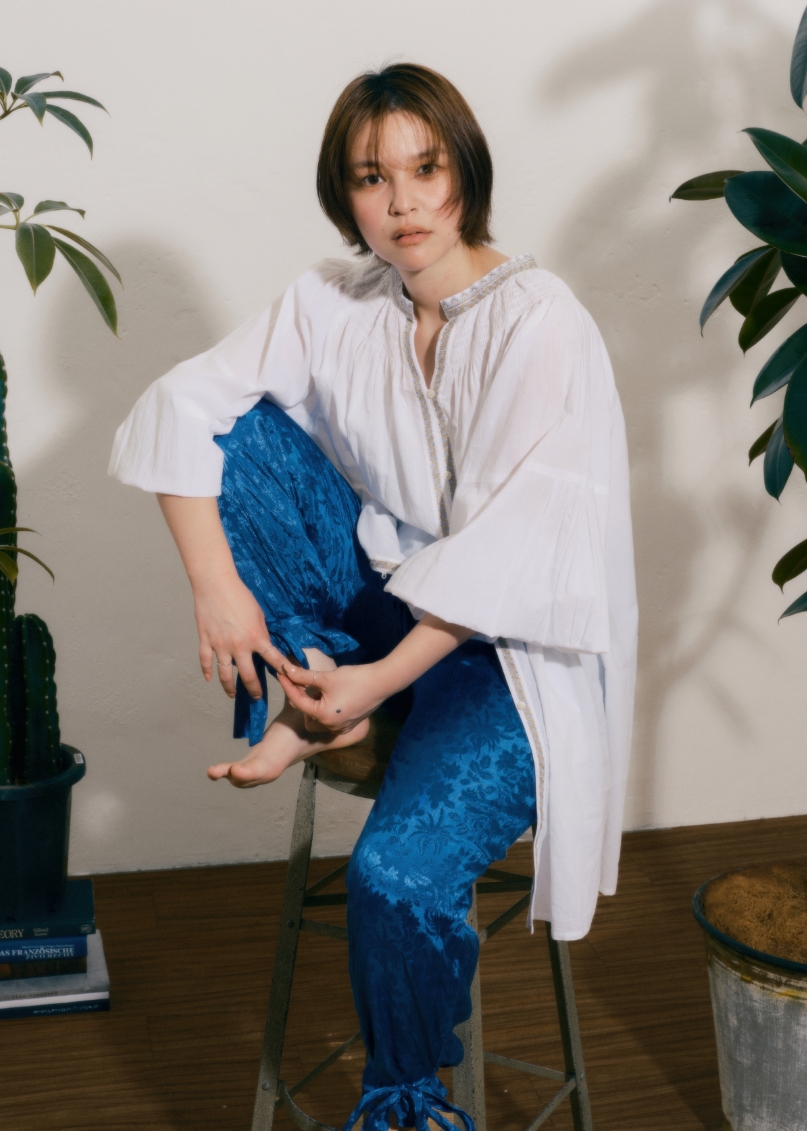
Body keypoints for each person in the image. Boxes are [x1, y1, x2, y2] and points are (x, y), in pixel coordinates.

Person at [110, 63, 637, 1131]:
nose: (402, 203)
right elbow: (179, 407)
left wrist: (379, 683)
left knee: (391, 877)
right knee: (237, 426)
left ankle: (406, 1097)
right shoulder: (335, 298)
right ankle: (304, 688)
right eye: (370, 178)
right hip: (384, 610)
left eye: (424, 169)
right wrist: (220, 594)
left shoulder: (543, 322)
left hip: (508, 657)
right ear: (342, 194)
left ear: (464, 172)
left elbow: (519, 553)